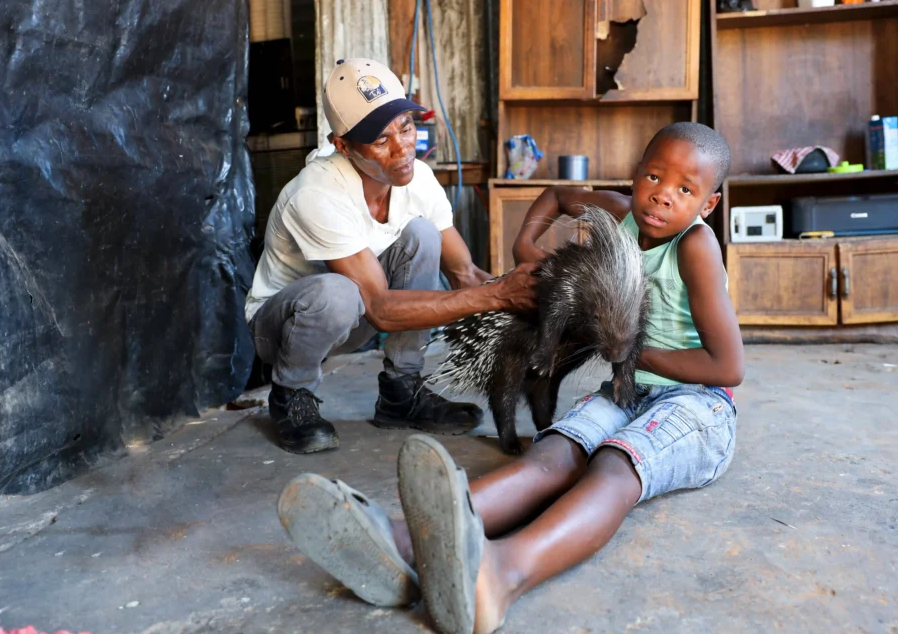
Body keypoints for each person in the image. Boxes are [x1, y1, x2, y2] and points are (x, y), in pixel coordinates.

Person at [276, 122, 745, 631]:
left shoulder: (695, 247)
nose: (662, 197)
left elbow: (727, 367)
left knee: (613, 468)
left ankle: (503, 572)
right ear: (635, 176)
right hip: (626, 391)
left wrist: (623, 350)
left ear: (707, 205)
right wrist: (526, 243)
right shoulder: (621, 214)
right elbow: (558, 195)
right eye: (654, 177)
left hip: (698, 404)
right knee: (551, 455)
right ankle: (399, 544)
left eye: (684, 189)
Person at [246, 58, 537, 454]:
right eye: (381, 140)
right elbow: (380, 309)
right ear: (343, 146)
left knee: (421, 234)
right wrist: (499, 295)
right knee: (339, 292)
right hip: (283, 328)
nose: (402, 149)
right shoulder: (316, 193)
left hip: (357, 316)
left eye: (406, 127)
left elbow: (465, 275)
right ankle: (291, 393)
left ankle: (402, 392)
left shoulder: (417, 178)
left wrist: (536, 301)